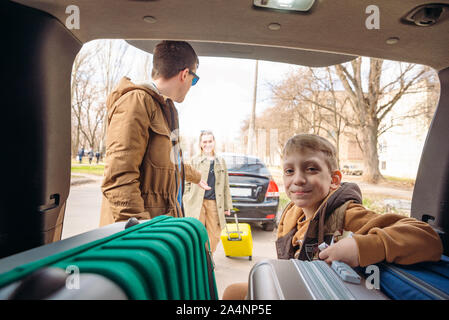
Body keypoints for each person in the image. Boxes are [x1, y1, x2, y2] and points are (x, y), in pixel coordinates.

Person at [222, 133, 443, 299]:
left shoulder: (346, 213)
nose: (297, 179)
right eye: (290, 171)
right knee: (233, 293)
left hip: (328, 291)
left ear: (334, 180)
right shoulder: (291, 215)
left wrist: (359, 247)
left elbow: (426, 237)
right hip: (302, 285)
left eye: (311, 169)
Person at [100, 40, 210, 226]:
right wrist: (141, 234)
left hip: (159, 231)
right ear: (185, 74)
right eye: (195, 79)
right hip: (140, 238)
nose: (192, 84)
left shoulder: (165, 109)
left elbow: (169, 164)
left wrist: (196, 177)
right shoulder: (136, 102)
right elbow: (118, 178)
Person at [183, 130, 233, 254]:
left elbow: (226, 185)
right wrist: (186, 198)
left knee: (215, 234)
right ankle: (201, 261)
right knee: (196, 233)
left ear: (214, 142)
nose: (207, 144)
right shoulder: (193, 160)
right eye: (204, 142)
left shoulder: (221, 161)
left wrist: (227, 206)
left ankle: (208, 258)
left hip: (214, 203)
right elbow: (186, 182)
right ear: (200, 143)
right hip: (196, 203)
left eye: (210, 141)